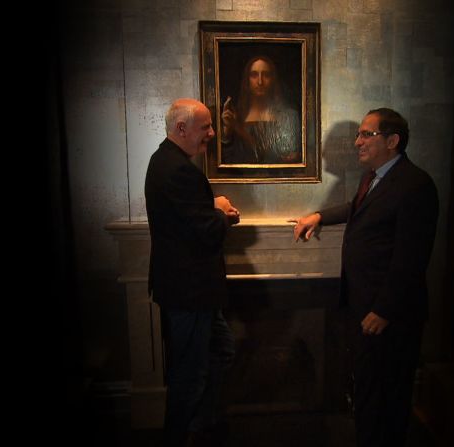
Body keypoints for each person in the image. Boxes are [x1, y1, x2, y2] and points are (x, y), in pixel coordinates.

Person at [290, 108, 439, 446]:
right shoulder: (372, 177)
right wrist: (318, 215)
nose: (357, 142)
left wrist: (384, 310)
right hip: (364, 307)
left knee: (389, 396)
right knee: (368, 390)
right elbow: (357, 209)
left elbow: (411, 259)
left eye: (366, 135)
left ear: (393, 140)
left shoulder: (416, 185)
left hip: (390, 316)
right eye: (358, 134)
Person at [145, 98, 240, 447]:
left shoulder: (164, 161)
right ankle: (183, 436)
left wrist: (210, 207)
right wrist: (223, 214)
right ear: (181, 128)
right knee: (189, 375)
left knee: (221, 351)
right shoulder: (179, 170)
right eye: (206, 127)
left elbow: (184, 217)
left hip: (191, 291)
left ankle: (202, 426)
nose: (212, 133)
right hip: (190, 292)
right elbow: (207, 231)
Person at [220, 55, 301, 164]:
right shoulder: (235, 115)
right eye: (254, 75)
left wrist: (239, 130)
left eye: (266, 75)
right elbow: (228, 160)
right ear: (247, 80)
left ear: (273, 80)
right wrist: (227, 133)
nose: (260, 82)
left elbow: (284, 159)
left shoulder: (289, 116)